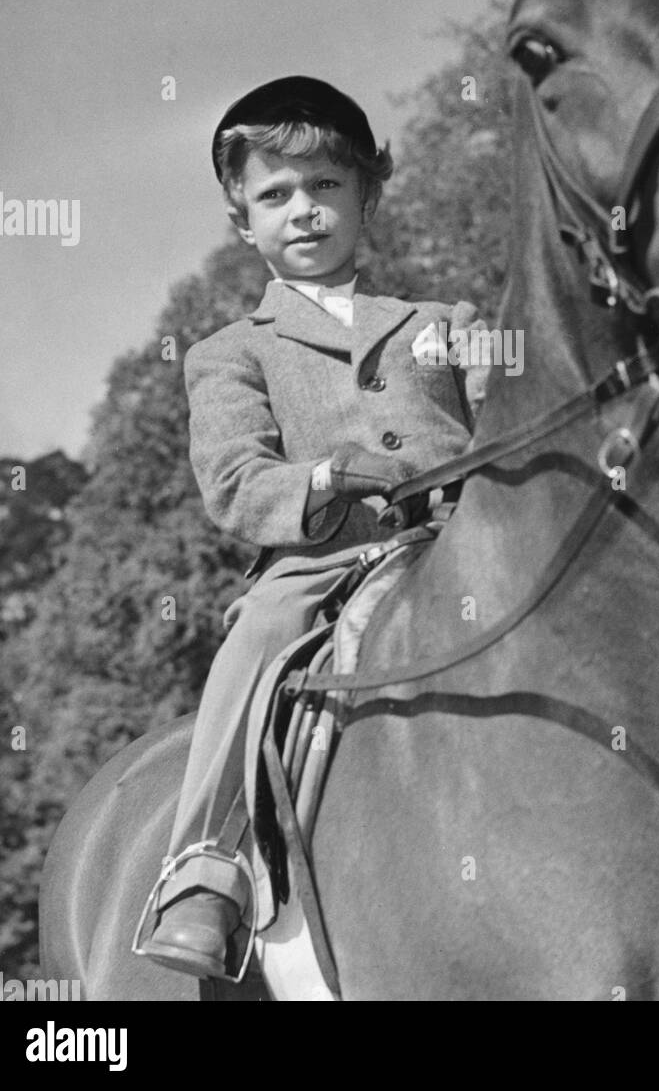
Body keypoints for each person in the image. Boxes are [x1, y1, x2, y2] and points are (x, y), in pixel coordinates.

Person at [142, 75, 485, 979]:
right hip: (322, 563)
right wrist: (328, 476)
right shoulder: (228, 352)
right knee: (257, 635)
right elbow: (234, 483)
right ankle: (206, 869)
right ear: (241, 221)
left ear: (367, 195)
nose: (303, 210)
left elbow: (514, 423)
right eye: (275, 194)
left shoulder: (446, 325)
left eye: (326, 186)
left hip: (462, 543)